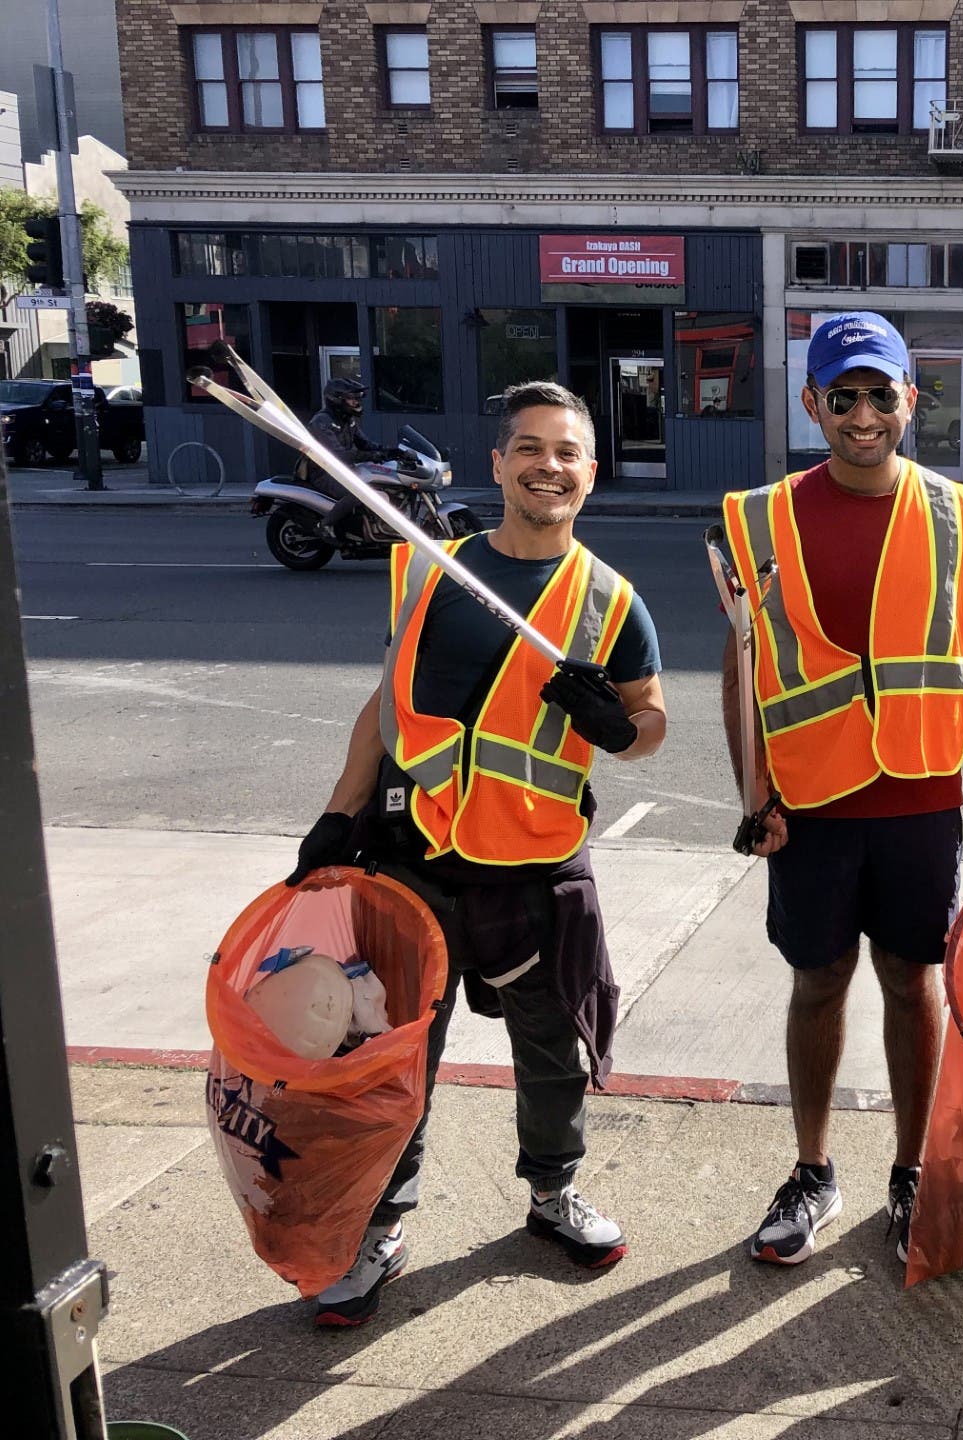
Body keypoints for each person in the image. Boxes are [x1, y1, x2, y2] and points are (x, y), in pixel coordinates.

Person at [287, 380, 668, 1327]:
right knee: (395, 1054)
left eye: (568, 452)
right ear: (498, 464)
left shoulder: (612, 601)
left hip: (536, 869)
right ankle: (382, 1222)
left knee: (553, 1052)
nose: (550, 466)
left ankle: (551, 1194)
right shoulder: (430, 571)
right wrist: (336, 817)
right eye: (530, 448)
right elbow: (386, 702)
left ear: (590, 471)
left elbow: (654, 721)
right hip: (414, 862)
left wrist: (617, 730)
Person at [718, 312, 963, 1269]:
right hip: (811, 807)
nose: (862, 414)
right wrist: (756, 794)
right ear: (813, 405)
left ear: (912, 397)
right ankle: (813, 1170)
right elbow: (741, 668)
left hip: (918, 801)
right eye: (843, 396)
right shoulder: (757, 518)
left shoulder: (960, 515)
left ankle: (910, 1173)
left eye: (880, 393)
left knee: (914, 982)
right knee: (817, 982)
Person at [301, 376, 393, 542]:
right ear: (336, 399)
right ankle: (325, 525)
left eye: (358, 399)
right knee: (360, 492)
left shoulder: (347, 420)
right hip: (324, 473)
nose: (357, 403)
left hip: (344, 470)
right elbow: (338, 455)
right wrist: (372, 456)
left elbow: (365, 444)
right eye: (352, 399)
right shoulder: (321, 422)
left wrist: (391, 452)